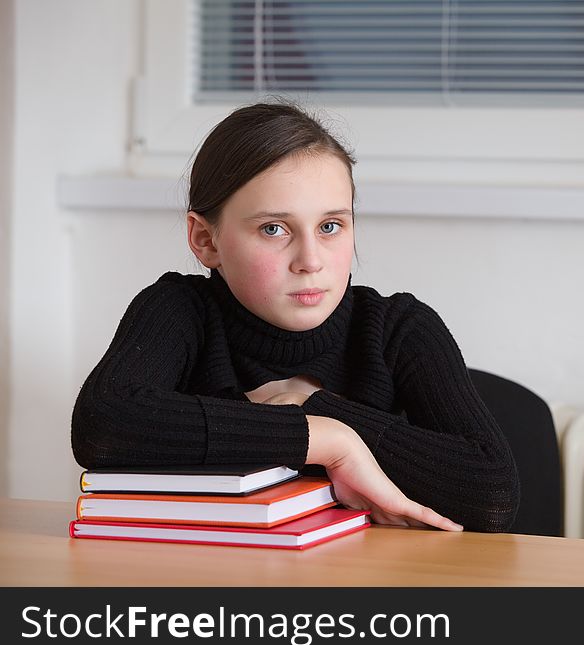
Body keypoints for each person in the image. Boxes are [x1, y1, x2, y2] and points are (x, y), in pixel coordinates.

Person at [70, 102, 520, 532]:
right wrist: (328, 439)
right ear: (206, 240)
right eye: (274, 229)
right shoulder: (178, 311)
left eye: (330, 226)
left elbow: (493, 494)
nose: (310, 260)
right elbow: (102, 425)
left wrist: (309, 403)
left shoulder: (399, 328)